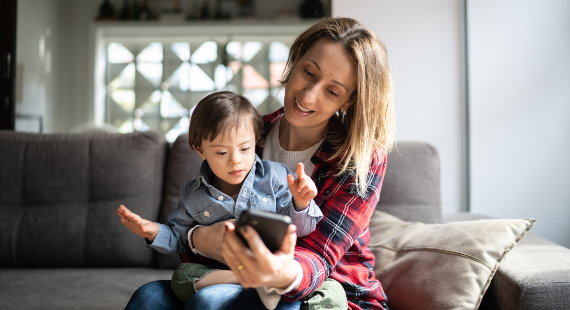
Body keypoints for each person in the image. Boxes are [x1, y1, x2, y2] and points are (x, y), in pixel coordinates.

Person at [124, 16, 396, 310]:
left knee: (209, 302)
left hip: (322, 290)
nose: (308, 95)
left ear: (349, 102)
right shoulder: (248, 137)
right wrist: (198, 238)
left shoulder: (360, 159)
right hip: (235, 276)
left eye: (332, 91)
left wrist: (273, 270)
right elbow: (201, 233)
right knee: (147, 298)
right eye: (308, 72)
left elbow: (318, 255)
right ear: (294, 61)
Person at [116, 91, 325, 309]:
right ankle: (247, 280)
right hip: (218, 273)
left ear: (256, 140)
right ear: (201, 151)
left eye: (245, 149)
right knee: (167, 284)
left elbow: (301, 230)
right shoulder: (192, 195)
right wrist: (153, 232)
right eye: (222, 153)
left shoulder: (275, 178)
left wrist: (301, 202)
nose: (236, 161)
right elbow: (179, 238)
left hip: (270, 267)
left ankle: (260, 281)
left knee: (208, 300)